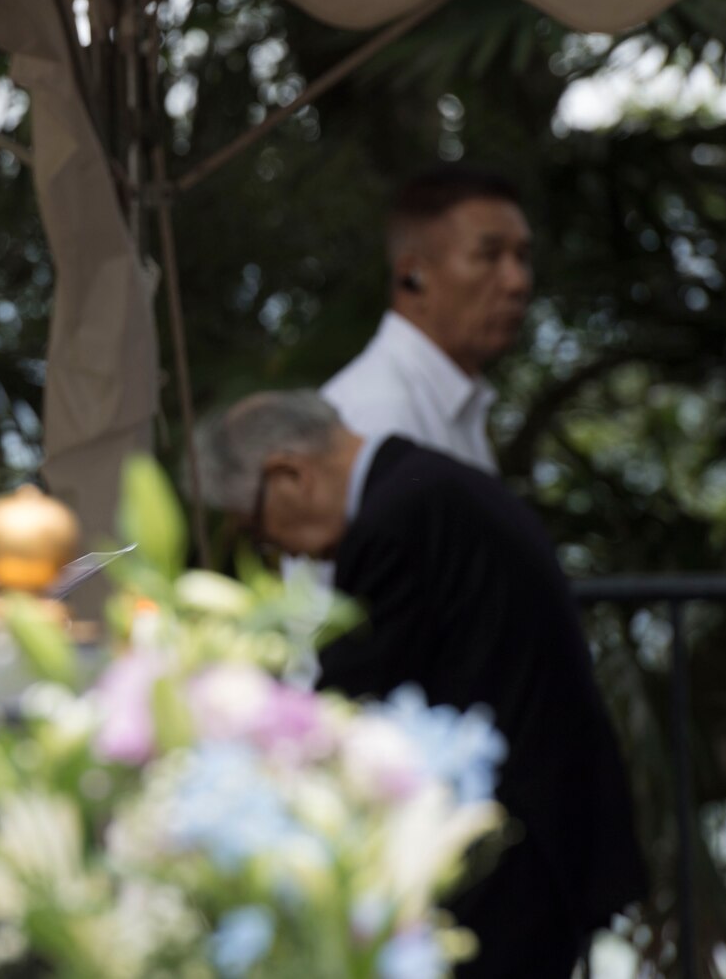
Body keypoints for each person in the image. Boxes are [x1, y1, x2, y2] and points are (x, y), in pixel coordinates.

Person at [192, 391, 644, 979]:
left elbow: (350, 708)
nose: (277, 553)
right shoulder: (432, 484)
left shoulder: (395, 520)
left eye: (258, 532)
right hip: (547, 835)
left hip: (509, 859)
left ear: (289, 476)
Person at [322, 164, 533, 473]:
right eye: (489, 255)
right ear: (412, 276)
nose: (517, 282)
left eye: (522, 257)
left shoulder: (455, 407)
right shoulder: (377, 419)